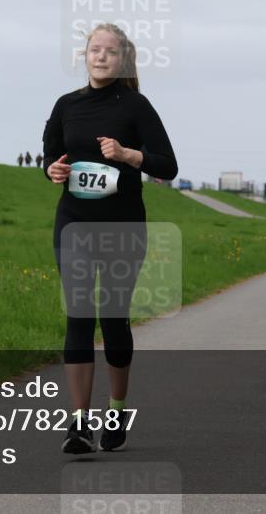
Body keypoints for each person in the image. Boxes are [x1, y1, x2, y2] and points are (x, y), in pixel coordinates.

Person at [42, 23, 176, 454]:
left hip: (122, 227)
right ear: (84, 56)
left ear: (123, 61)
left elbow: (167, 165)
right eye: (93, 49)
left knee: (113, 317)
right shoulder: (66, 105)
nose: (100, 57)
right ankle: (79, 424)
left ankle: (116, 407)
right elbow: (49, 154)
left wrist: (126, 155)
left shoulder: (136, 107)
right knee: (79, 314)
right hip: (74, 222)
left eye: (110, 52)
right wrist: (52, 170)